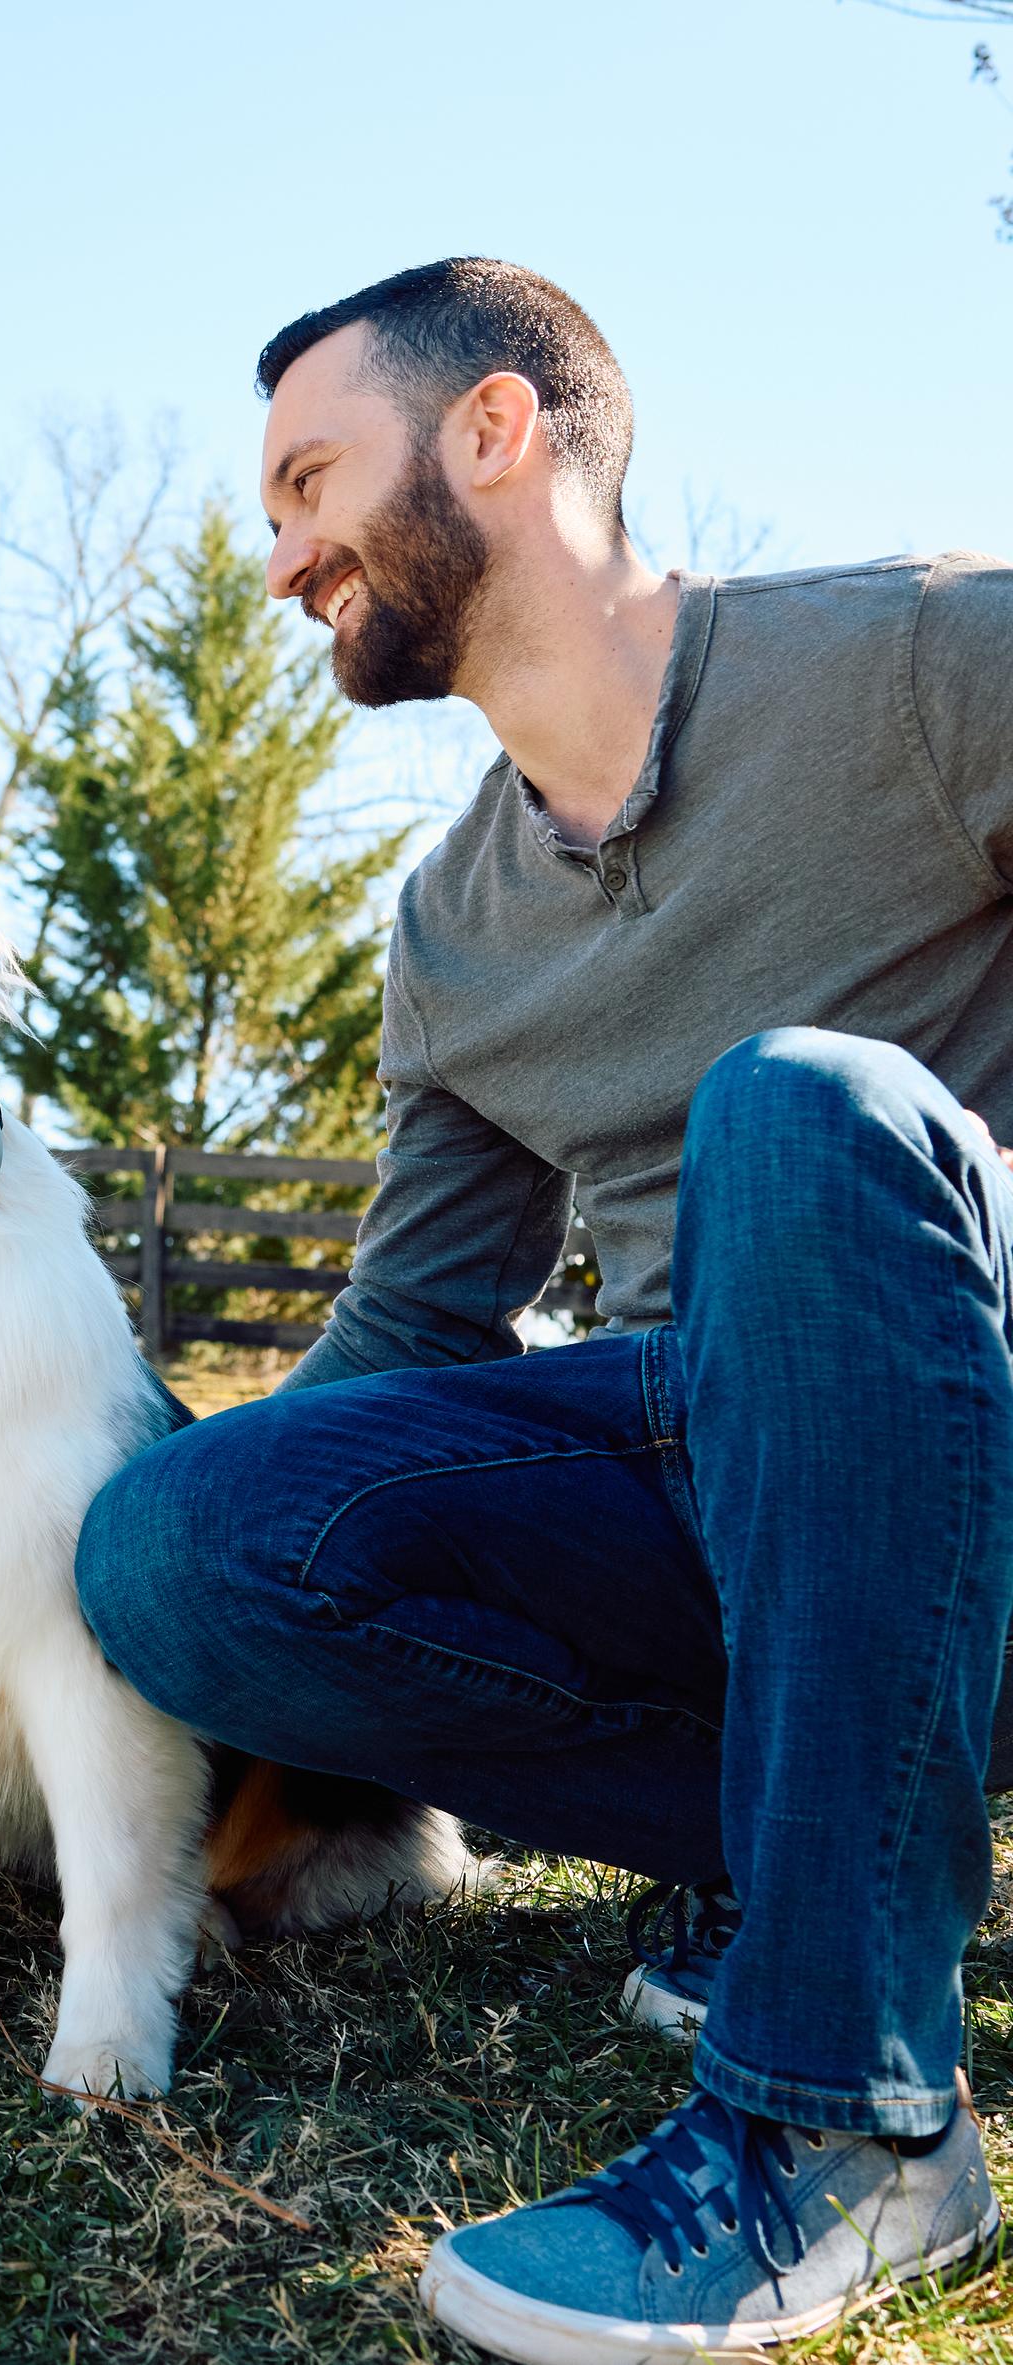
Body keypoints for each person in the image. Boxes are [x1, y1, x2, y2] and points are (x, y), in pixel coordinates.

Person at [74, 256, 1013, 2361]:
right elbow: (411, 1335)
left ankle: (845, 2123)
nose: (280, 554)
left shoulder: (926, 661)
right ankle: (804, 1842)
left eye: (308, 480)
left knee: (801, 1116)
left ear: (493, 433)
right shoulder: (449, 931)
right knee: (172, 1538)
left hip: (984, 1426)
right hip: (712, 1491)